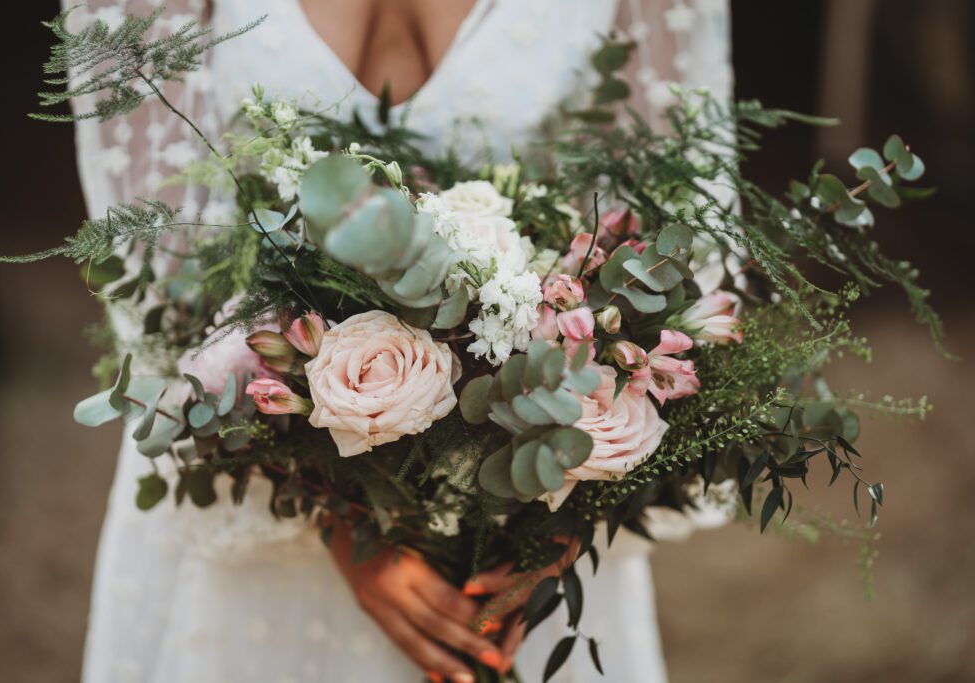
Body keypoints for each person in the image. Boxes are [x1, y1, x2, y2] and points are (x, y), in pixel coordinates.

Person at [68, 1, 733, 681]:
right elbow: (161, 271)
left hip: (530, 508)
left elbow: (678, 243)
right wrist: (340, 522)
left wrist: (562, 517)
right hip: (268, 510)